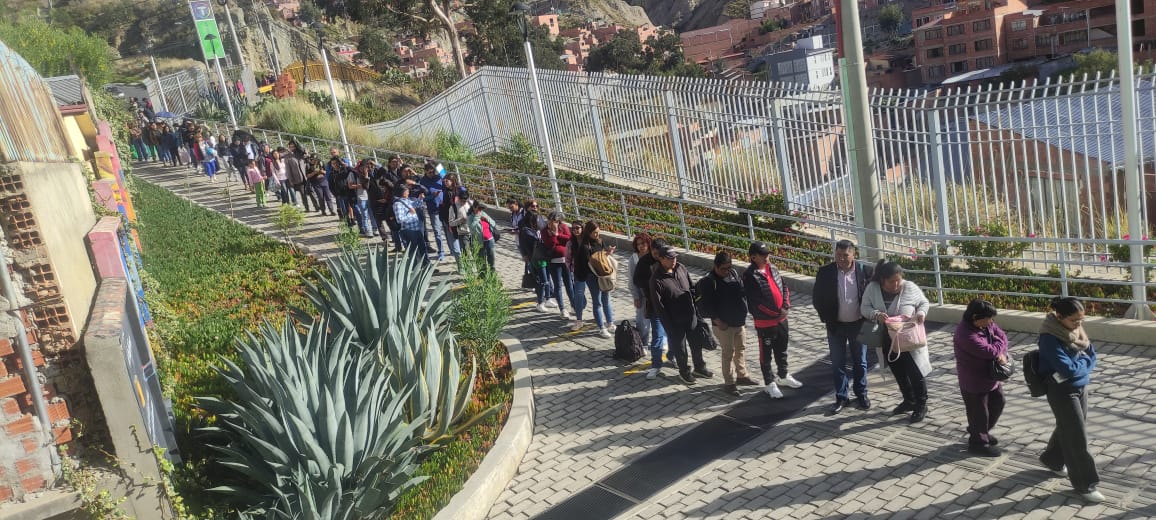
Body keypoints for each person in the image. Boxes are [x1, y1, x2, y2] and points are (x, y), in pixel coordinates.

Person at [1037, 296, 1103, 503]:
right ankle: (1085, 484)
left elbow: (1091, 354)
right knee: (1077, 436)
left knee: (1071, 425)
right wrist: (1085, 366)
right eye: (1074, 321)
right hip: (1061, 390)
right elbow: (1067, 368)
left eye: (1081, 320)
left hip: (1079, 386)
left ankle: (1053, 459)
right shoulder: (1049, 337)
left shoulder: (1076, 331)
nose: (1079, 325)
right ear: (1059, 317)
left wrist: (1082, 367)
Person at [860, 260, 931, 423]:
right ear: (883, 280)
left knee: (915, 372)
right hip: (887, 340)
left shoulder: (909, 287)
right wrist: (875, 314)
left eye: (899, 280)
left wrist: (921, 313)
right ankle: (909, 400)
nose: (896, 284)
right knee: (898, 372)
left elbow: (924, 302)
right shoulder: (872, 289)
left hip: (909, 339)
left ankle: (921, 404)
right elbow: (864, 308)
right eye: (892, 281)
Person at [813, 240, 874, 414]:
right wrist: (826, 318)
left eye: (845, 255)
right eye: (838, 255)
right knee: (837, 362)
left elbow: (872, 297)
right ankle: (842, 397)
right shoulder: (825, 272)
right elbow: (817, 298)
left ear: (853, 254)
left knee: (860, 362)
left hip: (859, 325)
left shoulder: (866, 271)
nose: (841, 259)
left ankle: (861, 394)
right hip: (836, 326)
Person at [697, 251, 759, 396]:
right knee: (728, 353)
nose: (726, 271)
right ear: (716, 267)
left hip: (738, 322)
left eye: (729, 267)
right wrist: (718, 321)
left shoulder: (733, 274)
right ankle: (729, 383)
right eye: (723, 269)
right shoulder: (709, 281)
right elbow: (704, 306)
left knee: (740, 349)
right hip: (723, 325)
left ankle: (742, 376)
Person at [744, 241, 801, 399]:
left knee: (782, 350)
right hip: (765, 323)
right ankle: (769, 383)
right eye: (763, 255)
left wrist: (786, 306)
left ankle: (783, 376)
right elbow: (756, 304)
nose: (767, 257)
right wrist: (776, 314)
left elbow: (784, 287)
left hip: (782, 320)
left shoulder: (772, 268)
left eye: (768, 254)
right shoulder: (750, 276)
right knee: (766, 354)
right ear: (754, 257)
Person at [953, 299, 1008, 457]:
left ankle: (979, 431)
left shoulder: (985, 323)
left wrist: (1000, 350)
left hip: (990, 377)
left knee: (998, 402)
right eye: (988, 318)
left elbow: (1002, 337)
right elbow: (988, 351)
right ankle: (979, 443)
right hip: (974, 381)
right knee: (979, 412)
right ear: (975, 317)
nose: (991, 322)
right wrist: (999, 352)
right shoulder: (965, 334)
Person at [649, 243, 707, 385]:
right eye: (669, 258)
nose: (673, 260)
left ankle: (699, 367)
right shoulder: (656, 280)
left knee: (696, 343)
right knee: (680, 349)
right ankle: (684, 372)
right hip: (675, 321)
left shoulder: (681, 268)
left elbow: (691, 287)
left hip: (690, 315)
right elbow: (659, 307)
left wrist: (697, 305)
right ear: (661, 259)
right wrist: (669, 326)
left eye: (675, 257)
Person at [633, 237, 670, 379]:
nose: (657, 256)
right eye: (655, 253)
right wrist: (650, 284)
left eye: (659, 253)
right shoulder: (644, 262)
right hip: (654, 304)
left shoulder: (668, 259)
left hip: (670, 303)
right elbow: (636, 279)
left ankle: (672, 356)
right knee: (658, 335)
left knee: (674, 335)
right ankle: (656, 365)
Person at [574, 221, 616, 338]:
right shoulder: (584, 247)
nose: (597, 235)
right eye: (594, 233)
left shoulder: (600, 241)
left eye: (598, 232)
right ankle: (601, 327)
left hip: (602, 275)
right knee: (597, 302)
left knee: (606, 299)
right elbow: (581, 265)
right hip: (591, 276)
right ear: (588, 233)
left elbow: (602, 256)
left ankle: (610, 323)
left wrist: (608, 252)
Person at [518, 206, 555, 312]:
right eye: (538, 220)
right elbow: (528, 243)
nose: (540, 222)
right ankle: (540, 302)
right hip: (537, 259)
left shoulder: (538, 230)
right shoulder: (527, 231)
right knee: (542, 281)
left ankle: (548, 298)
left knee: (547, 279)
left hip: (544, 257)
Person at [541, 211, 574, 321]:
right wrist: (555, 236)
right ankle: (562, 309)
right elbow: (550, 244)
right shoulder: (545, 231)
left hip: (565, 261)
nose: (553, 223)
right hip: (553, 262)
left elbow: (569, 239)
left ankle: (573, 305)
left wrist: (556, 234)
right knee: (558, 285)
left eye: (556, 221)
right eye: (551, 220)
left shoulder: (563, 227)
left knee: (569, 284)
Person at [628, 233, 655, 349]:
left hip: (655, 293)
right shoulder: (634, 258)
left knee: (657, 321)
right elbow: (631, 279)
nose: (641, 246)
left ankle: (658, 343)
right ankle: (642, 343)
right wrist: (635, 296)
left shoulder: (654, 255)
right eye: (638, 244)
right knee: (642, 321)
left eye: (643, 243)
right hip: (642, 294)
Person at [393, 184, 429, 266]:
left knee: (422, 248)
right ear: (402, 192)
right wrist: (410, 214)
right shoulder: (397, 204)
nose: (408, 192)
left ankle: (427, 266)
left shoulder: (407, 200)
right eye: (407, 191)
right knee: (413, 251)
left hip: (416, 229)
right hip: (408, 231)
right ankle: (415, 268)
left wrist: (420, 198)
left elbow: (416, 205)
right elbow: (399, 219)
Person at [419, 163, 448, 262]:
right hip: (433, 210)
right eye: (430, 172)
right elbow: (423, 198)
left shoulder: (439, 177)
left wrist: (435, 162)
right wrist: (433, 196)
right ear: (425, 172)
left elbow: (444, 173)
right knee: (437, 232)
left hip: (444, 208)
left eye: (433, 171)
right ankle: (441, 252)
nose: (432, 174)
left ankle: (452, 249)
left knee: (448, 230)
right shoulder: (422, 181)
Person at [468, 202, 499, 271]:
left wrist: (487, 219)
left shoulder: (483, 213)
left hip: (489, 239)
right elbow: (472, 229)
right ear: (474, 207)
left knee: (491, 258)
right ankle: (482, 275)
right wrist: (477, 217)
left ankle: (492, 273)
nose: (480, 210)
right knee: (481, 260)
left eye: (481, 209)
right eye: (479, 208)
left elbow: (493, 223)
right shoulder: (470, 217)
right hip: (479, 242)